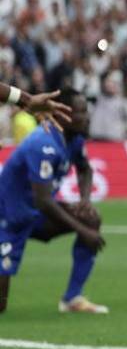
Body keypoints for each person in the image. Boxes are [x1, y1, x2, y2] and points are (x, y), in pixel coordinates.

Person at [0, 89, 107, 314]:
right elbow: (43, 201)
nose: (86, 117)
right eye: (80, 112)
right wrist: (82, 232)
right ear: (61, 114)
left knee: (90, 218)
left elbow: (85, 169)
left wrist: (85, 201)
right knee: (1, 305)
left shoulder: (74, 139)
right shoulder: (43, 143)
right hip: (9, 218)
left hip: (34, 215)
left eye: (86, 111)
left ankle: (72, 299)